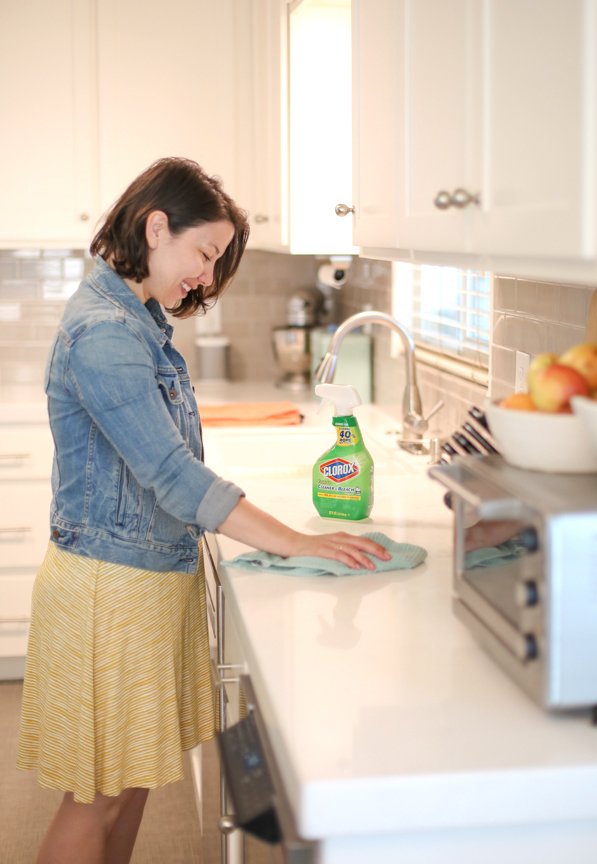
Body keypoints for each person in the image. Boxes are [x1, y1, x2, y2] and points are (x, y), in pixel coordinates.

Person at [16, 157, 389, 864]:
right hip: (109, 591)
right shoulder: (105, 332)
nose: (207, 279)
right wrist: (294, 542)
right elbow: (171, 477)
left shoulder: (136, 317)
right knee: (96, 796)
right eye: (205, 254)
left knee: (126, 789)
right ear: (157, 226)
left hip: (140, 580)